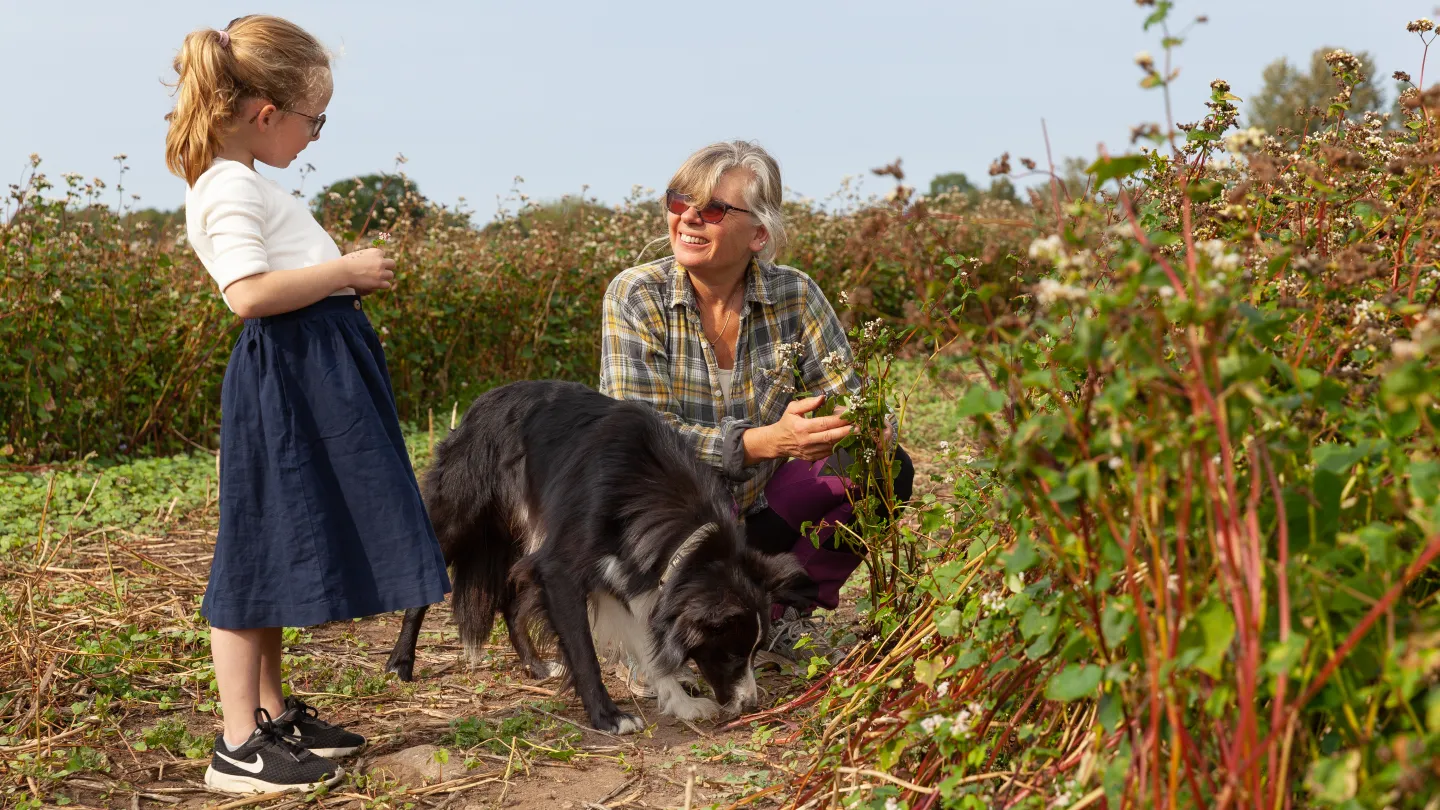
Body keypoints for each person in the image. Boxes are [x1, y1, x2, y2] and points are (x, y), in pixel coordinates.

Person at [164, 15, 450, 794]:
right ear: (266, 115)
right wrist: (345, 270)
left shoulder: (242, 180)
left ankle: (270, 718)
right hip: (286, 386)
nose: (316, 136)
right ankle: (238, 747)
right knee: (253, 556)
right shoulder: (228, 186)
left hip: (306, 379)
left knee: (274, 548)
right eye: (315, 121)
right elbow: (248, 294)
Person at [599, 141, 913, 680]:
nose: (689, 218)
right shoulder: (636, 295)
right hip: (670, 529)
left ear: (759, 234)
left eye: (713, 209)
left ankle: (779, 613)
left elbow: (849, 394)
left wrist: (865, 424)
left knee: (884, 466)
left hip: (758, 518)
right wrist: (764, 442)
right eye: (680, 202)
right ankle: (656, 626)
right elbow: (641, 439)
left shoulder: (795, 294)